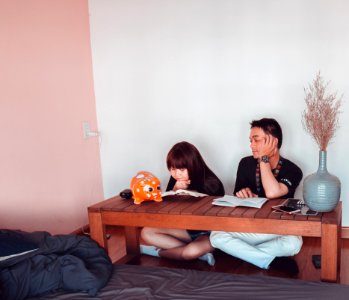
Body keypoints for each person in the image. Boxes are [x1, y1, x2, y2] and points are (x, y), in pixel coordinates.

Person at [210, 118, 303, 275]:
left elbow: (272, 192)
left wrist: (264, 158)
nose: (251, 145)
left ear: (273, 141)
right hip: (249, 227)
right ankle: (268, 260)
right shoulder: (245, 164)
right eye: (250, 140)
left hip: (277, 229)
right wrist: (241, 195)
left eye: (256, 140)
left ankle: (238, 253)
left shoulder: (293, 169)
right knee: (215, 236)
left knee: (294, 243)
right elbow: (236, 201)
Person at [140, 141, 225, 266]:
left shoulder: (211, 183)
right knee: (146, 232)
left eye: (181, 169)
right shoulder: (175, 180)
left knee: (190, 252)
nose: (177, 173)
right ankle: (196, 254)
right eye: (173, 169)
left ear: (193, 165)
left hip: (208, 233)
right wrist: (174, 191)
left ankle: (159, 252)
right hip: (185, 230)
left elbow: (217, 216)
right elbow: (165, 211)